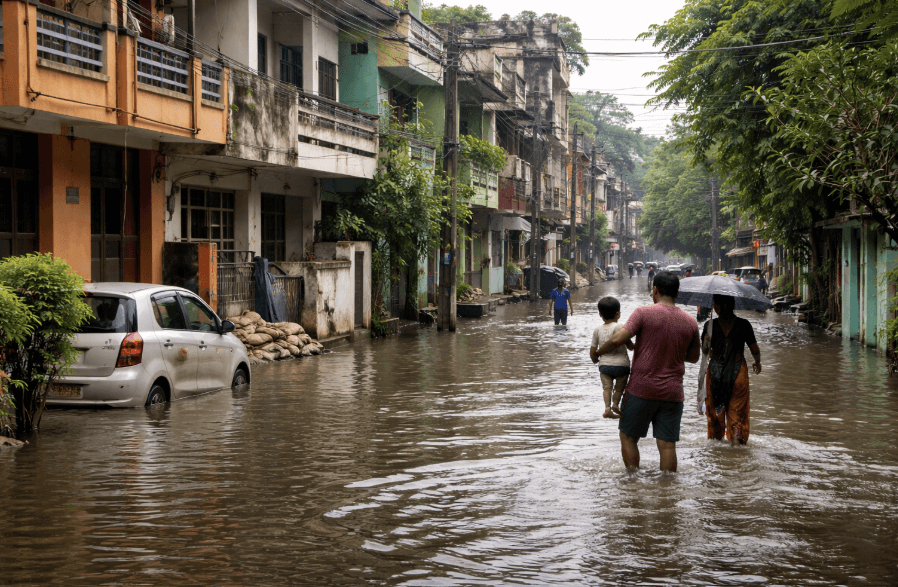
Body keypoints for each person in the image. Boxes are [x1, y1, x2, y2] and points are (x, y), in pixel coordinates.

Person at [593, 271, 701, 472]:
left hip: (641, 390)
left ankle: (632, 483)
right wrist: (672, 355)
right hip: (673, 392)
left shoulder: (642, 313)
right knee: (667, 444)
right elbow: (694, 357)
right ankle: (667, 491)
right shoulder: (690, 322)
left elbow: (619, 338)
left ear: (655, 291)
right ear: (677, 294)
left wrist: (598, 352)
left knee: (628, 437)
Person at [701, 294, 762, 445]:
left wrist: (707, 339)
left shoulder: (710, 325)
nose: (714, 307)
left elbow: (704, 351)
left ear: (724, 305)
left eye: (716, 304)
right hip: (738, 373)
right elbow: (754, 349)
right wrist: (757, 362)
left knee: (716, 414)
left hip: (715, 374)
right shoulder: (744, 324)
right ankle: (736, 447)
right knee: (737, 413)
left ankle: (717, 448)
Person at [590, 297, 635, 419]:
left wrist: (596, 360)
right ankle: (616, 404)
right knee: (619, 389)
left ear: (600, 314)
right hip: (621, 366)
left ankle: (607, 409)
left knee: (607, 388)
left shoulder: (597, 330)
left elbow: (593, 352)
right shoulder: (619, 327)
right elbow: (630, 346)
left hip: (604, 366)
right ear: (618, 314)